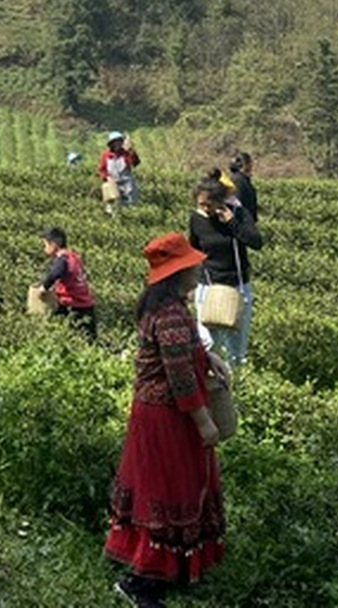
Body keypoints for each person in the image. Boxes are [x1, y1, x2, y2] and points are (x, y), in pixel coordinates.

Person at [106, 232, 227, 606]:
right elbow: (180, 378)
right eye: (192, 265)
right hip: (166, 416)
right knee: (167, 492)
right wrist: (204, 421)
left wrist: (209, 357)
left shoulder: (167, 306)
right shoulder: (171, 314)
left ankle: (170, 567)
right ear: (179, 272)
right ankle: (140, 582)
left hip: (159, 412)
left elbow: (183, 354)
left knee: (171, 487)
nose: (198, 269)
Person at [189, 173, 264, 367]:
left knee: (236, 350)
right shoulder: (196, 219)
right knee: (208, 344)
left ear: (220, 201)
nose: (205, 209)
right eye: (201, 205)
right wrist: (190, 284)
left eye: (209, 205)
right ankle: (211, 382)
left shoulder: (238, 214)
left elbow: (256, 242)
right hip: (208, 288)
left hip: (236, 287)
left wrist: (232, 223)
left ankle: (234, 381)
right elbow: (194, 251)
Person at [39, 225, 98, 339]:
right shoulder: (73, 256)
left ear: (53, 245)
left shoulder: (62, 259)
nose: (44, 249)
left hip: (72, 305)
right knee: (89, 339)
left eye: (45, 245)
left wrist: (44, 287)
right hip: (87, 305)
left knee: (58, 331)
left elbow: (55, 274)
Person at [100, 132, 141, 214]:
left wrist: (131, 151)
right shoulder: (105, 155)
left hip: (127, 184)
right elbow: (102, 170)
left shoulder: (126, 153)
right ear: (111, 144)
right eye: (116, 142)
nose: (118, 144)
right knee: (113, 207)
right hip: (113, 184)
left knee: (130, 205)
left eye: (120, 141)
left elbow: (135, 163)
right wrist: (107, 177)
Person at [226, 150, 259, 223]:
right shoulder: (238, 181)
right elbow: (237, 204)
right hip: (242, 223)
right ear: (246, 164)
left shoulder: (240, 179)